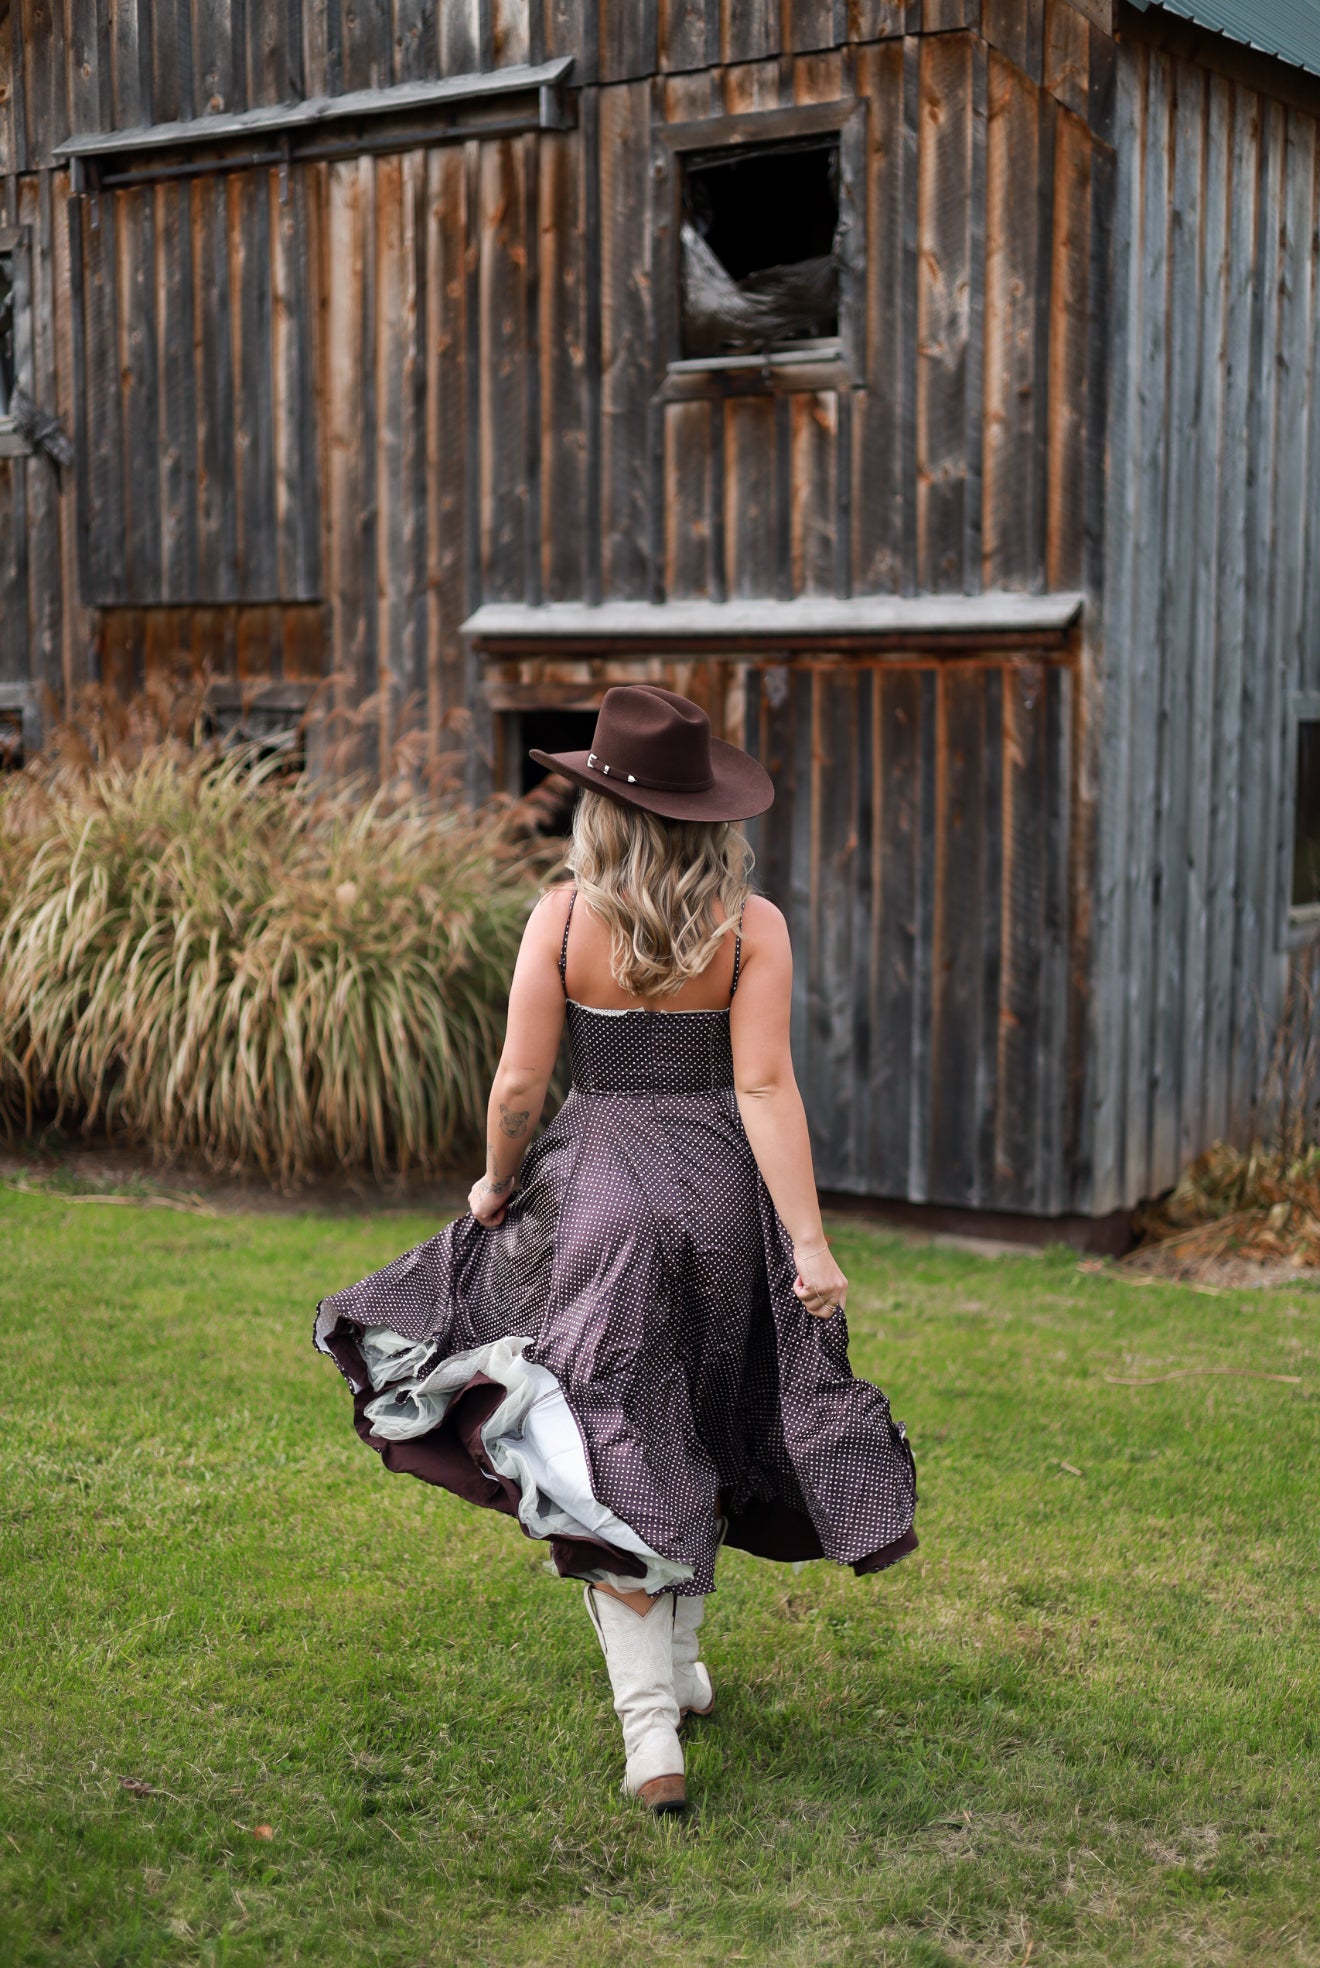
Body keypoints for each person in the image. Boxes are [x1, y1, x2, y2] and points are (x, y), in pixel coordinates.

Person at [315, 685, 917, 1816]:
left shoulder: (562, 918)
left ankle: (652, 1734)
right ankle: (677, 1671)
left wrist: (496, 1184)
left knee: (610, 1436)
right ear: (708, 816)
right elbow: (765, 1087)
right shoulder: (753, 928)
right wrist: (810, 1243)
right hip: (722, 1201)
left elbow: (519, 1085)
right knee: (704, 1418)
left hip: (596, 1198)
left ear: (601, 809)